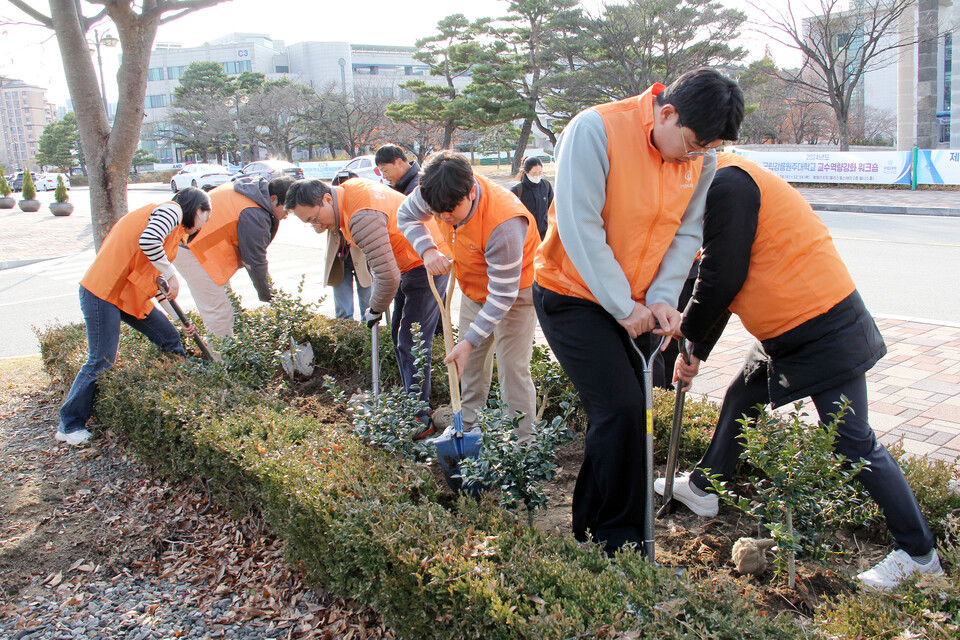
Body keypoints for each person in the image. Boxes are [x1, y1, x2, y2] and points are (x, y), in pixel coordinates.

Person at [657, 152, 942, 590]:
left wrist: (687, 333)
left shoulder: (728, 184)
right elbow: (709, 277)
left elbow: (722, 276)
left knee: (851, 440)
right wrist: (692, 350)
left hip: (823, 323)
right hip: (783, 329)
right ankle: (702, 487)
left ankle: (919, 553)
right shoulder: (714, 187)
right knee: (740, 398)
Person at [532, 68, 744, 555]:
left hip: (639, 304)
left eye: (707, 150)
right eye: (691, 145)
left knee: (630, 411)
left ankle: (590, 519)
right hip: (573, 294)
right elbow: (580, 225)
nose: (696, 157)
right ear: (666, 113)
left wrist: (663, 298)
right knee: (623, 408)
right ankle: (620, 541)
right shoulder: (595, 129)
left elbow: (687, 233)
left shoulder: (702, 159)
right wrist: (622, 304)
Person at [285, 177, 449, 437]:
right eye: (308, 223)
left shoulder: (360, 216)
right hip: (409, 261)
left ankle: (421, 415)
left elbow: (388, 277)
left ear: (326, 199)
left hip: (426, 262)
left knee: (413, 342)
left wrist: (374, 309)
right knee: (400, 337)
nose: (316, 227)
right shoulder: (348, 190)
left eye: (313, 218)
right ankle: (411, 402)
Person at [398, 151, 541, 444]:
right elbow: (406, 215)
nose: (445, 217)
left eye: (451, 210)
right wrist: (427, 249)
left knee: (513, 370)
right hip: (474, 286)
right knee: (469, 363)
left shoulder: (504, 223)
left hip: (516, 292)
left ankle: (524, 445)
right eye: (438, 212)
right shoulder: (435, 192)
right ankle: (468, 428)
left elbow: (503, 295)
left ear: (472, 192)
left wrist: (471, 339)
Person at [56, 187, 212, 446]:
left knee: (171, 340)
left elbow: (158, 287)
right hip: (103, 292)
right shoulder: (170, 210)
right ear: (197, 209)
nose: (204, 224)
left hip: (129, 296)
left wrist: (180, 321)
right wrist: (171, 273)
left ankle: (180, 391)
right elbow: (149, 241)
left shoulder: (175, 235)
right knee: (101, 360)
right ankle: (69, 424)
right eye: (207, 215)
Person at [170, 176, 294, 337]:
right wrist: (270, 296)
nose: (286, 216)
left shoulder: (252, 192)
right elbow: (255, 261)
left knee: (225, 306)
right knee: (219, 312)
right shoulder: (254, 212)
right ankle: (220, 360)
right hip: (192, 249)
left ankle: (224, 353)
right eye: (287, 210)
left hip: (194, 247)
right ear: (273, 198)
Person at [326, 171, 372, 321]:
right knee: (343, 312)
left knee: (369, 307)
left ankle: (369, 338)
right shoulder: (329, 204)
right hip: (339, 258)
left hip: (362, 257)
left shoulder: (364, 203)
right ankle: (347, 336)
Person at [510, 156, 553, 240]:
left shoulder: (546, 186)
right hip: (525, 237)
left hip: (544, 235)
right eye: (534, 173)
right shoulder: (517, 190)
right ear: (526, 172)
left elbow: (552, 208)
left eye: (540, 172)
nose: (537, 176)